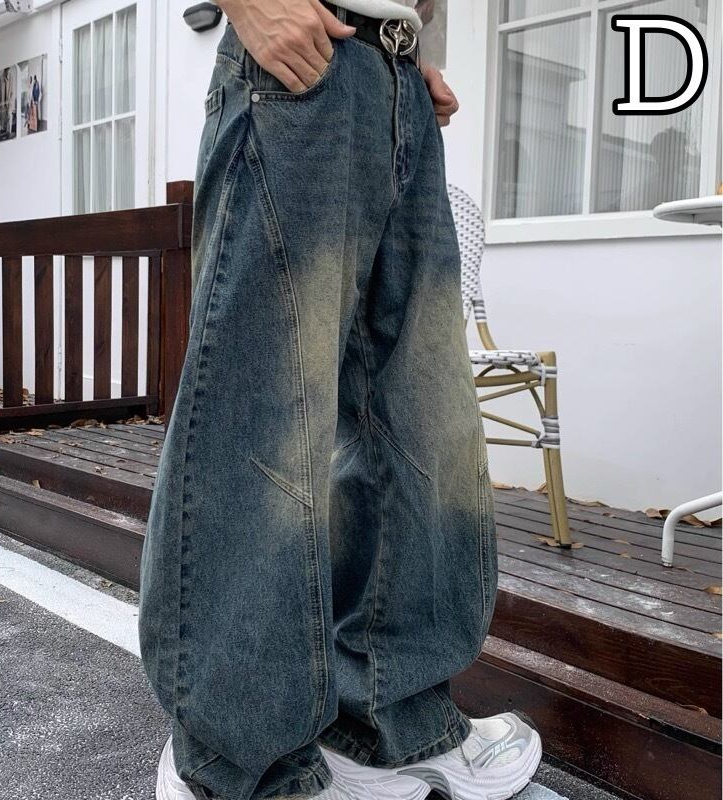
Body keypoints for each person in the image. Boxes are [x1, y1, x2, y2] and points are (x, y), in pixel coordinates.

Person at [139, 1, 543, 799]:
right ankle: (240, 768)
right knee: (262, 420)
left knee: (422, 428)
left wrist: (409, 46)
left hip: (392, 76)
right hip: (301, 62)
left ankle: (390, 725)